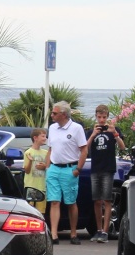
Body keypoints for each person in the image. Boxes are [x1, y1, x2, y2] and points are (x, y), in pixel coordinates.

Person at [45, 101, 88, 244]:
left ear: (63, 114)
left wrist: (78, 169)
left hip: (69, 168)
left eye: (54, 113)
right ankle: (54, 234)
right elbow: (50, 149)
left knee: (70, 202)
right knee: (54, 201)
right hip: (54, 168)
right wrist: (47, 167)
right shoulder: (52, 128)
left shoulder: (76, 128)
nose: (52, 115)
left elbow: (83, 149)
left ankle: (74, 233)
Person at [87, 105, 125, 242]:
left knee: (107, 200)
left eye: (104, 117)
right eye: (99, 117)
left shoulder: (113, 130)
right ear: (96, 116)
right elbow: (85, 148)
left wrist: (114, 133)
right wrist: (92, 135)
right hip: (95, 168)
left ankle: (105, 231)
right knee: (96, 200)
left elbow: (122, 146)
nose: (102, 120)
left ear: (107, 117)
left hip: (108, 169)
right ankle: (98, 230)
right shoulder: (91, 131)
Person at [22, 128, 50, 217]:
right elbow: (26, 170)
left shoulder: (46, 153)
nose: (45, 138)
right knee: (30, 211)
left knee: (41, 212)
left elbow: (49, 167)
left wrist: (45, 166)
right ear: (35, 138)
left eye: (45, 136)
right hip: (31, 186)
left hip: (42, 187)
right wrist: (30, 161)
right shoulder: (28, 152)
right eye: (43, 136)